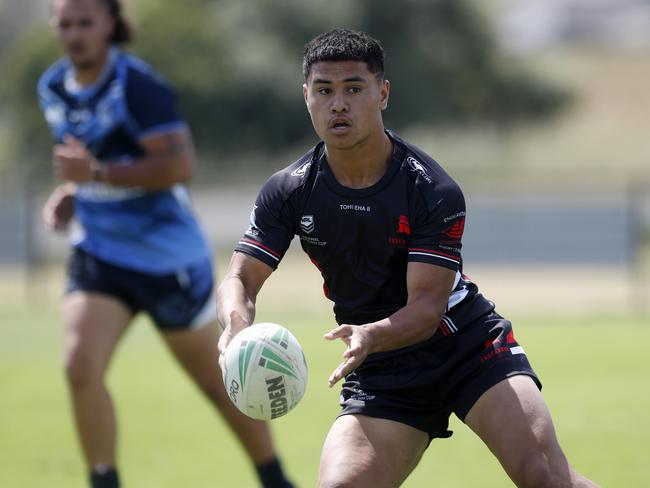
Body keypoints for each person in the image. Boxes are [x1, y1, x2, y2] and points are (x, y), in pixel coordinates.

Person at [216, 28, 600, 488]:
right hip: (379, 368)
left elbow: (426, 306)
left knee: (545, 478)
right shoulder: (290, 189)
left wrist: (369, 336)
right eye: (324, 90)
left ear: (383, 93)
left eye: (354, 89)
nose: (338, 104)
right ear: (306, 96)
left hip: (465, 347)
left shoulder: (431, 189)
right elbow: (241, 276)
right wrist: (235, 324)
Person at [38, 1, 294, 487]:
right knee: (78, 365)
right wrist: (74, 192)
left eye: (85, 22)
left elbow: (178, 168)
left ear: (110, 24)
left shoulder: (140, 86)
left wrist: (91, 175)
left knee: (217, 385)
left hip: (166, 260)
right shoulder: (52, 85)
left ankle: (276, 479)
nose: (74, 34)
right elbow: (92, 157)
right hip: (99, 252)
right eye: (65, 23)